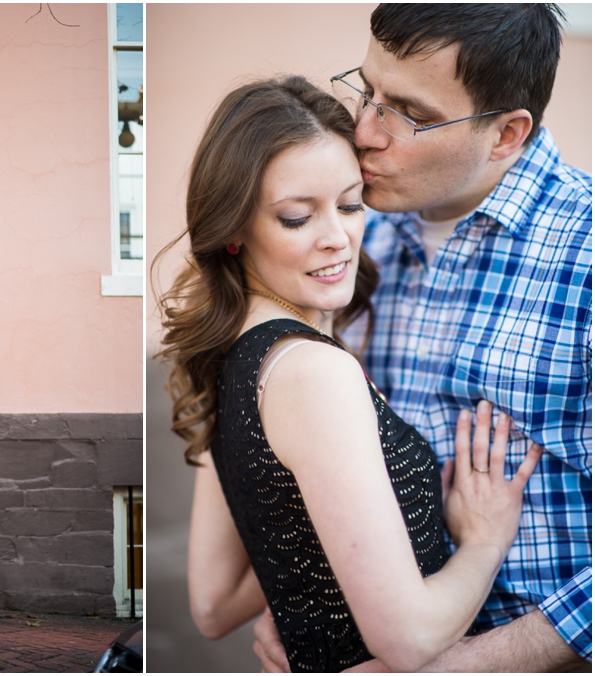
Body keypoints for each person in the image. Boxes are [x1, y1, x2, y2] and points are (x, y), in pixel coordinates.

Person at [156, 74, 542, 672]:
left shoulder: (233, 361)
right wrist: (486, 541)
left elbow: (216, 604)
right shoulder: (314, 374)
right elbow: (408, 641)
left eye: (350, 204)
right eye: (294, 218)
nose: (338, 239)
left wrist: (327, 563)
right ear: (233, 230)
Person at [250, 4, 591, 672]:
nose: (364, 132)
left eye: (407, 113)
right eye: (366, 91)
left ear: (505, 134)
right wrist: (293, 593)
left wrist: (466, 664)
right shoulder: (355, 237)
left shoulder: (585, 253)